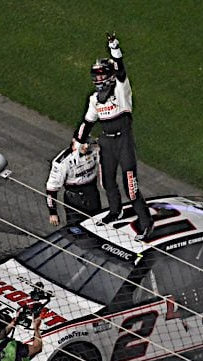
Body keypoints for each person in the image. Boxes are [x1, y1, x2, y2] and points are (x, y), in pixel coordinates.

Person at [72, 33, 153, 241]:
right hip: (106, 141)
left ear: (109, 76)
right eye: (95, 76)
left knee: (131, 187)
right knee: (107, 181)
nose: (98, 80)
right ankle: (115, 211)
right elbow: (87, 123)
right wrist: (78, 141)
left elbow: (121, 68)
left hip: (123, 140)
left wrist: (114, 47)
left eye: (101, 76)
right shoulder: (93, 99)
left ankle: (146, 223)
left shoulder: (120, 89)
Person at [46, 139, 101, 226]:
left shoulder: (94, 149)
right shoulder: (62, 162)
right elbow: (52, 188)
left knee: (97, 225)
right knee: (76, 228)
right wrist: (53, 212)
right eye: (82, 145)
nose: (86, 147)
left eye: (87, 144)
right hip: (74, 198)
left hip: (92, 193)